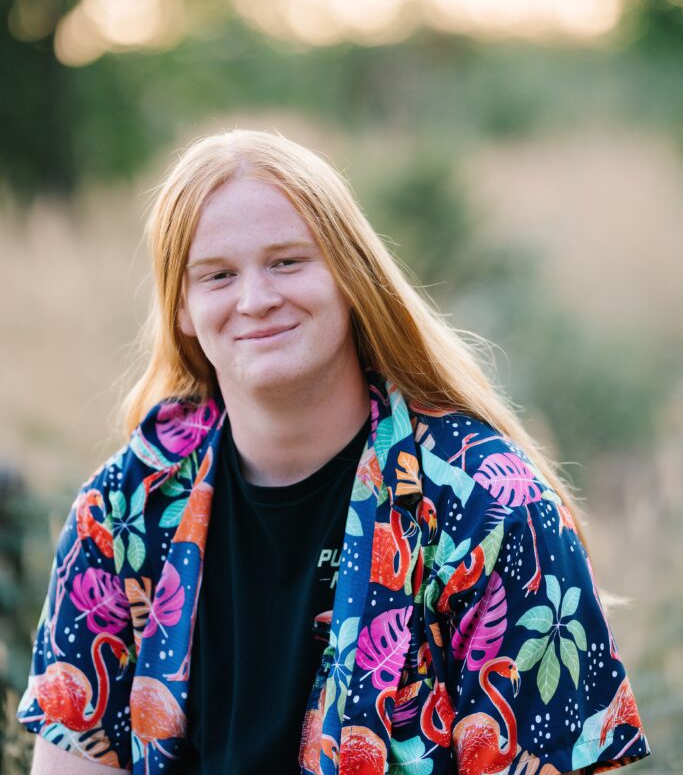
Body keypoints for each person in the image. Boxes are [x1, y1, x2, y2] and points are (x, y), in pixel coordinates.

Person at [19, 129, 650, 775]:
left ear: (350, 274)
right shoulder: (124, 510)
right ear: (181, 307)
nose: (256, 299)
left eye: (287, 261)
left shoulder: (489, 510)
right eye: (218, 275)